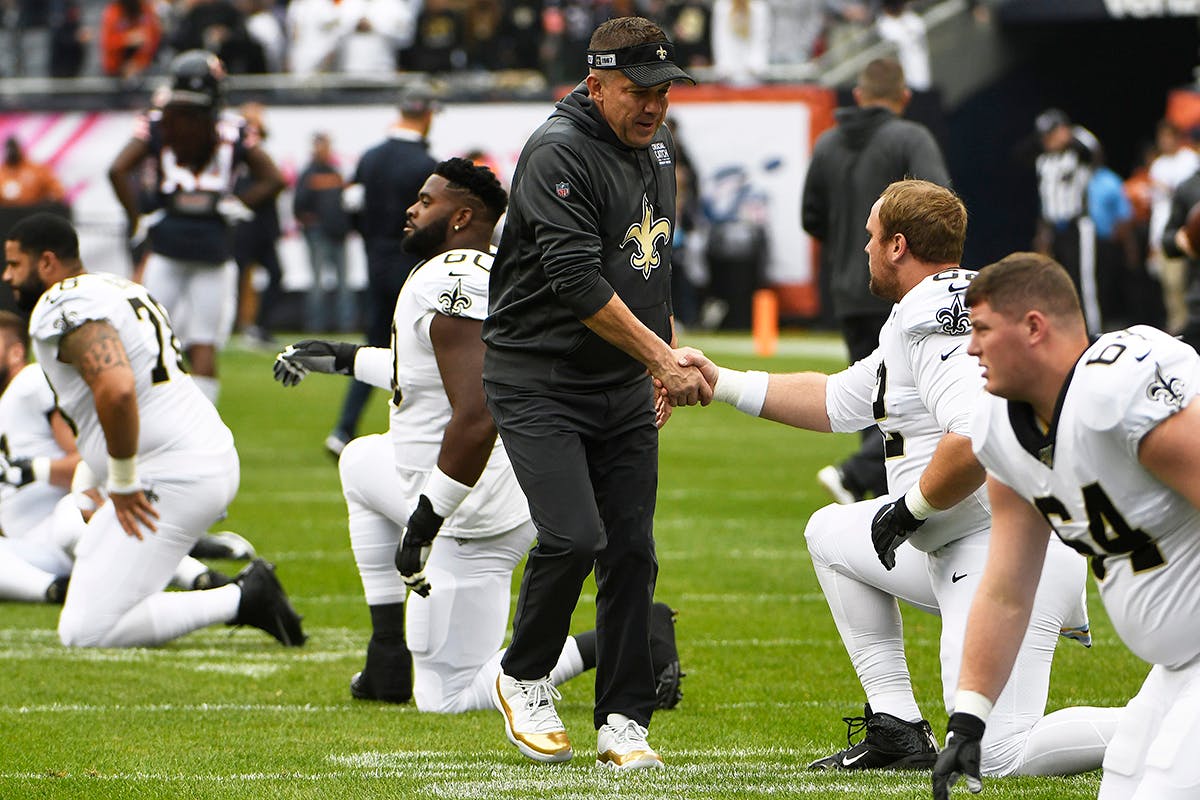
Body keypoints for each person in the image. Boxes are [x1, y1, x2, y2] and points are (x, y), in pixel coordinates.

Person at [679, 180, 1118, 777]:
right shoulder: (920, 313)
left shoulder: (930, 314)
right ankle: (898, 731)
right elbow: (838, 400)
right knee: (832, 534)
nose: (863, 248)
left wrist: (908, 509)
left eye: (870, 237)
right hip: (961, 540)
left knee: (997, 755)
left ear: (897, 246)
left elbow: (975, 433)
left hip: (1004, 551)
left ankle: (1167, 723)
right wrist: (720, 382)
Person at [272, 158, 683, 711]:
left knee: (449, 698)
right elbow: (431, 369)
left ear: (463, 215)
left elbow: (477, 406)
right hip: (503, 483)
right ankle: (387, 651)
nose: (411, 209)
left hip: (470, 507)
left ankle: (627, 642)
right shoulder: (491, 269)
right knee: (359, 460)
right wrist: (345, 359)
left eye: (426, 200)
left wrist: (425, 520)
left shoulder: (452, 277)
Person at [481, 16, 709, 769]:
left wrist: (660, 355)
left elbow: (650, 265)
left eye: (664, 89)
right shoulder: (558, 150)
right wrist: (660, 359)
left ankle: (623, 720)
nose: (653, 104)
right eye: (638, 90)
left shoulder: (660, 150)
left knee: (633, 554)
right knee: (576, 536)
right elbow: (577, 282)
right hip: (536, 373)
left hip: (616, 377)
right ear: (595, 84)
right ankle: (522, 675)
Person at [933, 252, 1200, 799]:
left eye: (982, 328)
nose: (970, 347)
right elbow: (1007, 590)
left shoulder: (1118, 394)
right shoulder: (1002, 431)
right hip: (1177, 661)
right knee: (1124, 780)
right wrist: (970, 718)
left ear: (1034, 327)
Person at [1, 212, 303, 648]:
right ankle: (220, 585)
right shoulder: (117, 287)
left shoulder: (61, 304)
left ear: (47, 262)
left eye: (15, 264)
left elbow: (119, 389)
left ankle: (243, 597)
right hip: (191, 456)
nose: (7, 275)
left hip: (168, 472)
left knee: (87, 631)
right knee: (81, 555)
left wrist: (121, 481)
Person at [0, 310, 234, 602]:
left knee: (69, 515)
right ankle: (55, 589)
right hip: (34, 549)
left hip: (78, 522)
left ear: (15, 352)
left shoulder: (30, 383)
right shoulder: (7, 403)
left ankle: (197, 576)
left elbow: (88, 459)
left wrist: (35, 470)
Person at [801, 57, 950, 505]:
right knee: (914, 400)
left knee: (872, 400)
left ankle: (876, 489)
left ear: (859, 96)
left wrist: (853, 249)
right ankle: (858, 475)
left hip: (849, 290)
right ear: (904, 98)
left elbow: (810, 217)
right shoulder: (911, 137)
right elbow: (940, 208)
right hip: (905, 290)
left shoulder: (827, 144)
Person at [107, 49, 285, 405]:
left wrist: (137, 217)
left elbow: (117, 169)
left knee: (150, 338)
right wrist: (238, 203)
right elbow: (273, 178)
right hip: (214, 240)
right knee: (203, 344)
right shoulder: (233, 127)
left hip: (168, 238)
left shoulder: (156, 122)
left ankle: (149, 416)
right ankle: (204, 431)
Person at [326, 85, 438, 458]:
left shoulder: (370, 158)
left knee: (375, 344)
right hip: (413, 266)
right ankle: (418, 431)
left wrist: (373, 241)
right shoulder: (425, 165)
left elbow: (351, 207)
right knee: (423, 349)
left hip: (376, 260)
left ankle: (343, 428)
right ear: (427, 116)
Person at [1031, 108, 1103, 334]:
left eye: (1052, 133)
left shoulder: (1077, 155)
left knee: (1084, 285)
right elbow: (1045, 201)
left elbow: (1095, 151)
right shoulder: (1043, 162)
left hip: (1077, 226)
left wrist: (1071, 134)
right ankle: (1069, 333)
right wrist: (1042, 235)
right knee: (1060, 284)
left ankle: (1092, 333)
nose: (1048, 140)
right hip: (1055, 229)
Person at [293, 131, 354, 334]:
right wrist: (312, 223)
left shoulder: (335, 172)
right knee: (317, 284)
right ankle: (315, 325)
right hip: (318, 233)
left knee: (344, 284)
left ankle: (346, 325)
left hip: (338, 232)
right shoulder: (308, 173)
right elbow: (298, 206)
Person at [99, 0, 161, 80]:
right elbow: (108, 43)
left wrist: (138, 62)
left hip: (142, 69)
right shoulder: (113, 11)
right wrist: (126, 39)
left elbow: (152, 37)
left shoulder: (145, 9)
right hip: (116, 70)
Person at [0, 136, 65, 208]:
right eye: (9, 150)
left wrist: (49, 200)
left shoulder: (36, 169)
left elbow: (57, 190)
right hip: (8, 215)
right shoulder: (1, 173)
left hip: (34, 212)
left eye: (14, 148)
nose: (12, 152)